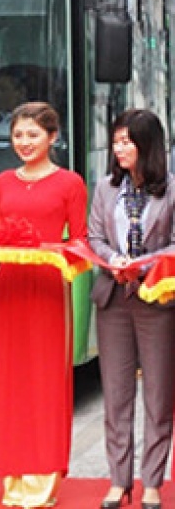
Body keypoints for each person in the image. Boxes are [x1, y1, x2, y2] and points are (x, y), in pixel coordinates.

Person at [0, 102, 87, 508]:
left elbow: (80, 241)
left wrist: (48, 253)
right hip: (10, 285)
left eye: (33, 135)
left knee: (42, 380)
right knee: (10, 378)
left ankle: (41, 478)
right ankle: (14, 472)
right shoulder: (3, 181)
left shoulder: (70, 183)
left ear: (53, 138)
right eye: (18, 136)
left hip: (46, 287)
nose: (24, 143)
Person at [88, 109, 175, 509]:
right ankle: (118, 479)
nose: (119, 149)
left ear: (148, 145)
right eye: (116, 141)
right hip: (112, 298)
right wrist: (114, 261)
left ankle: (152, 481)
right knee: (117, 394)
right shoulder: (106, 187)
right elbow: (94, 237)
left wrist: (141, 264)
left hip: (156, 299)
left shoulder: (171, 189)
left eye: (127, 141)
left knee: (158, 394)